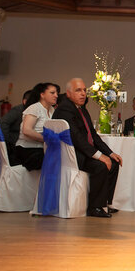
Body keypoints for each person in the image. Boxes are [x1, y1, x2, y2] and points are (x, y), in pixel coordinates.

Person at [54, 78, 122, 218]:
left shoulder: (81, 109)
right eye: (78, 90)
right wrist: (99, 156)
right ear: (68, 93)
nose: (83, 93)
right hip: (72, 155)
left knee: (114, 163)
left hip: (82, 152)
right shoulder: (65, 109)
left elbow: (93, 136)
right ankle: (94, 207)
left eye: (84, 90)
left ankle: (105, 203)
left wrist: (109, 153)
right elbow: (77, 138)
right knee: (101, 166)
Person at [14, 83, 58, 171]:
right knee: (54, 161)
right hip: (27, 150)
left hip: (42, 149)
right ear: (42, 95)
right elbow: (26, 130)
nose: (56, 96)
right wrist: (46, 139)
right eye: (52, 93)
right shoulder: (34, 108)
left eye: (56, 93)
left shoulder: (52, 110)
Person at [0, 89, 31, 162]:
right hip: (14, 145)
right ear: (25, 102)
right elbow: (3, 123)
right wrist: (8, 142)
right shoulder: (18, 110)